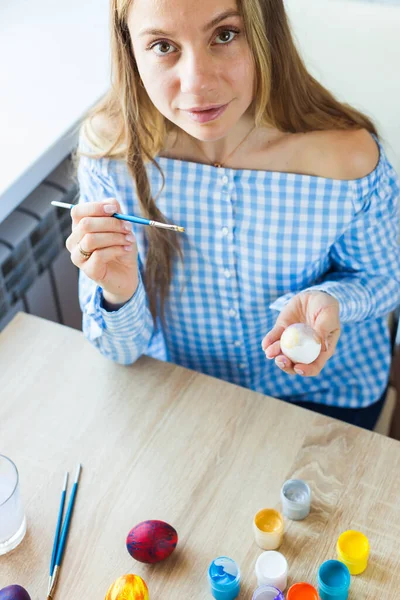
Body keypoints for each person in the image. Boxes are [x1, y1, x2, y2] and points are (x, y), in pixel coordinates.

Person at [67, 0, 400, 430]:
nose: (197, 83)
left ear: (266, 34)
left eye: (224, 35)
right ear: (129, 48)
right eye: (163, 46)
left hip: (327, 400)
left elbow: (387, 278)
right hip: (192, 396)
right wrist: (118, 294)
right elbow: (120, 352)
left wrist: (333, 300)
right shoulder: (111, 157)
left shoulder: (348, 159)